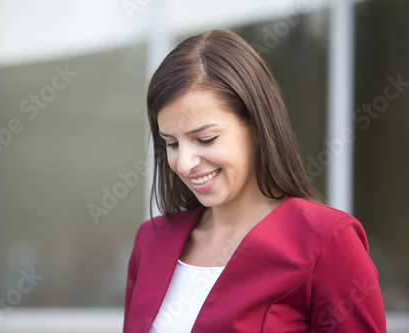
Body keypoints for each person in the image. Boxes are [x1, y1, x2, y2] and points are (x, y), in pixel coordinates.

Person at [124, 29, 386, 333]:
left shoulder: (327, 242)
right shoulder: (151, 241)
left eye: (205, 139)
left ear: (257, 125)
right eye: (171, 143)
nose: (184, 163)